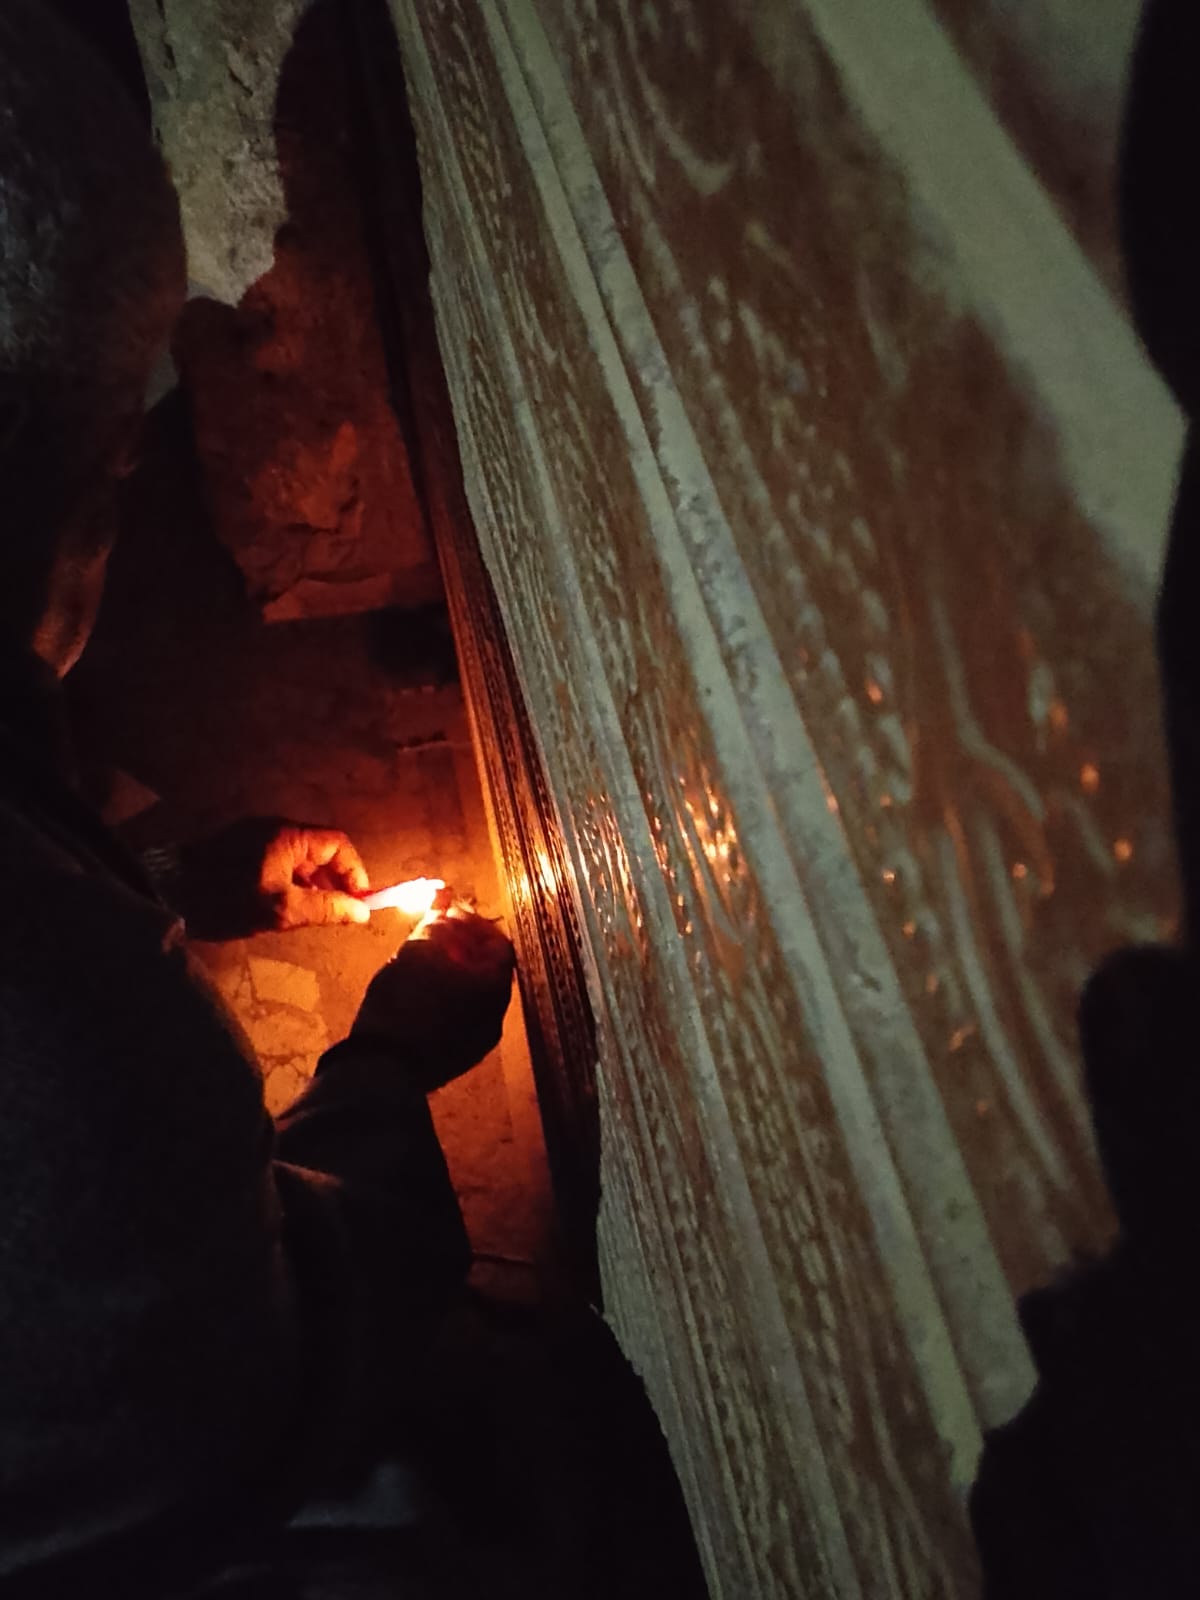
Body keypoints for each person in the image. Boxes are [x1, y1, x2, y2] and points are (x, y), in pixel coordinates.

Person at [0, 5, 515, 1593]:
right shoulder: (83, 1063)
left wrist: (174, 885)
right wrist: (385, 1070)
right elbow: (273, 1379)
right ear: (91, 483)